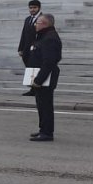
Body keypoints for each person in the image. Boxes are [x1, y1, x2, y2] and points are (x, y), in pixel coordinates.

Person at [28, 13, 61, 142]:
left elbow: (49, 62)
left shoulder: (50, 38)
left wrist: (38, 80)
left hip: (45, 77)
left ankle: (47, 132)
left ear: (45, 24)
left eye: (38, 23)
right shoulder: (43, 36)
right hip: (40, 75)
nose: (35, 25)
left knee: (46, 105)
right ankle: (43, 129)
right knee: (41, 105)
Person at [18, 0, 41, 96]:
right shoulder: (28, 19)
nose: (32, 10)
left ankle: (37, 89)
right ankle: (32, 89)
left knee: (36, 69)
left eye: (34, 8)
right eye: (30, 8)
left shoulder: (42, 19)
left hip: (37, 49)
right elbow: (23, 34)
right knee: (29, 69)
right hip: (27, 49)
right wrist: (20, 48)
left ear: (39, 8)